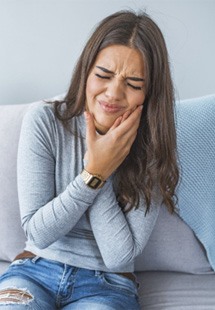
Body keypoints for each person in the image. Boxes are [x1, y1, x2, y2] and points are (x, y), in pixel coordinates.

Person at [0, 10, 179, 309]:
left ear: (149, 93)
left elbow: (119, 256)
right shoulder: (45, 121)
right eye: (103, 76)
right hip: (34, 271)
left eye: (133, 84)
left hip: (108, 285)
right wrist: (94, 171)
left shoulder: (152, 145)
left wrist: (103, 169)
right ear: (86, 71)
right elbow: (39, 232)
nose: (113, 93)